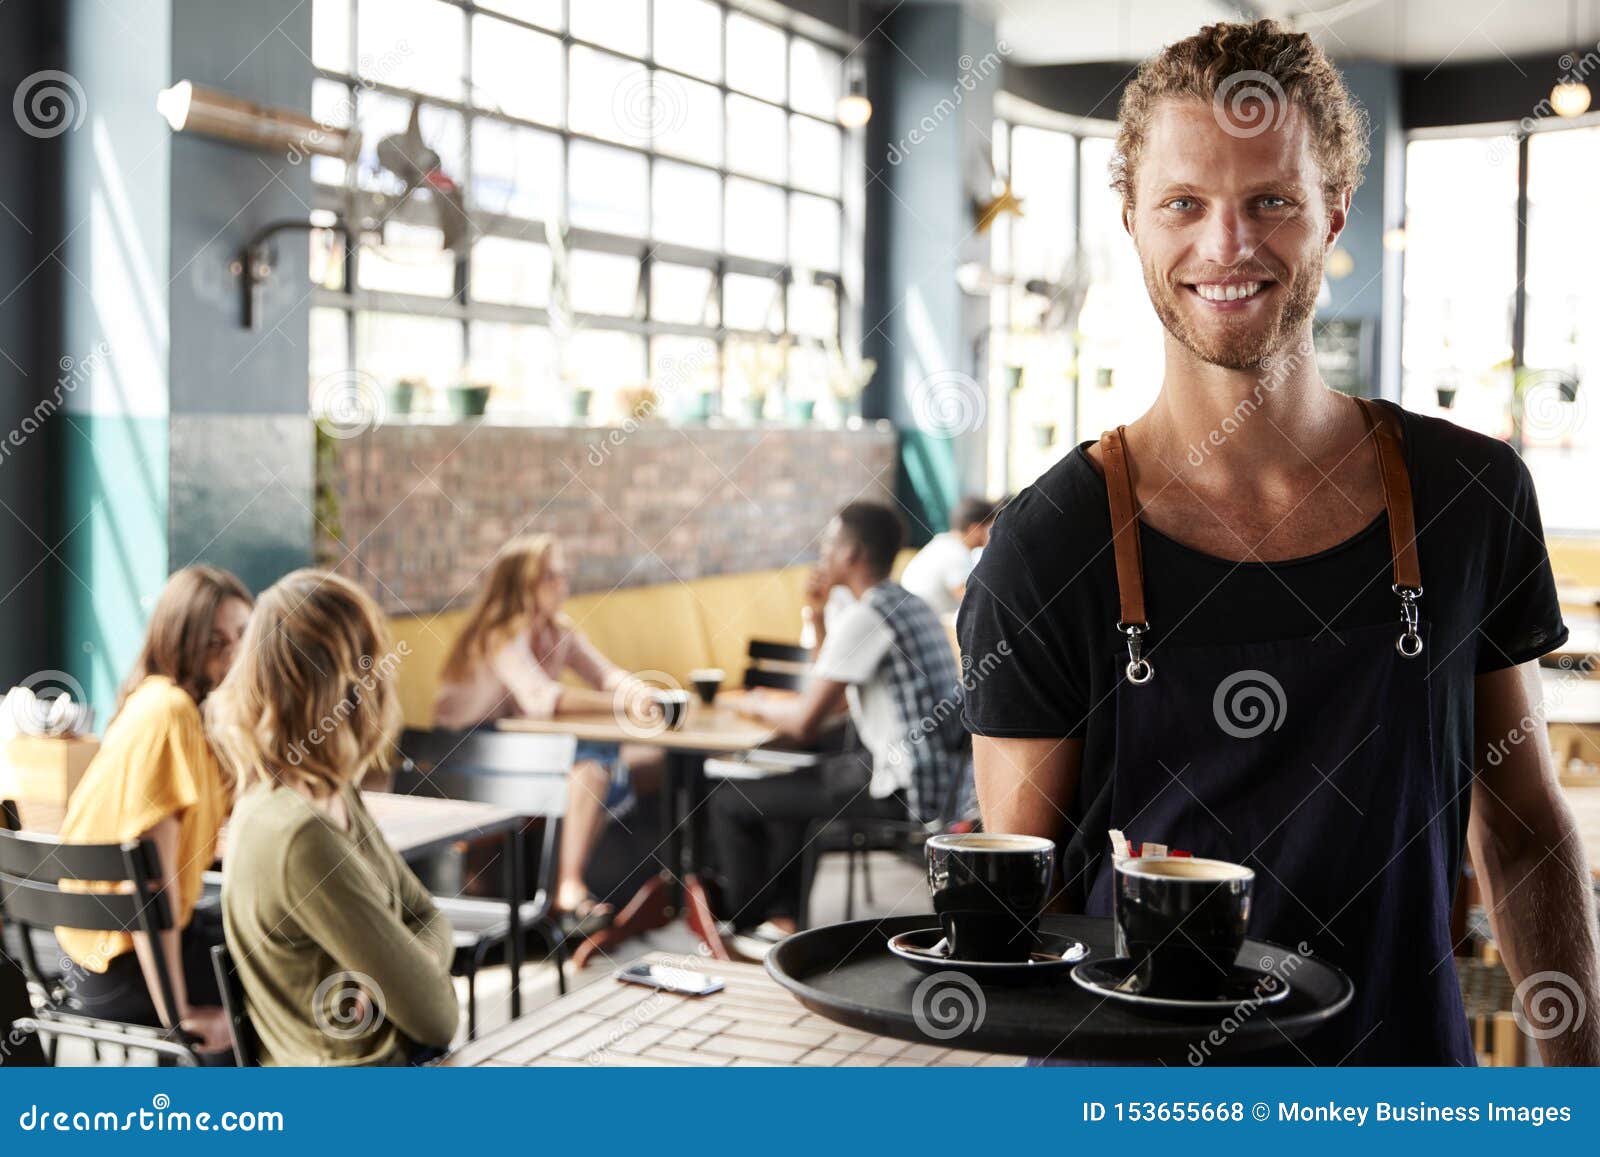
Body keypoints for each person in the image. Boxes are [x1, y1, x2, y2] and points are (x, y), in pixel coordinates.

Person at [959, 19, 1599, 1066]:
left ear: (1333, 211)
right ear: (1130, 218)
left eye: (1270, 200)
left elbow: (1523, 827)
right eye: (1183, 203)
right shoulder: (1051, 538)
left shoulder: (1467, 495)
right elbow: (1021, 901)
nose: (1227, 246)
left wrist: (1580, 1088)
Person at [211, 570, 458, 1067]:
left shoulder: (332, 790)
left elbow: (426, 916)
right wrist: (410, 979)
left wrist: (403, 973)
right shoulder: (299, 836)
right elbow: (438, 1016)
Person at [714, 502, 965, 953]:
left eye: (828, 544)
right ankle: (782, 921)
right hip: (934, 779)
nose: (821, 554)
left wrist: (751, 701)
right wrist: (815, 613)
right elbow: (828, 690)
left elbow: (807, 722)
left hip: (900, 788)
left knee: (730, 801)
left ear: (851, 554)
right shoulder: (909, 604)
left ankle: (741, 929)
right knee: (786, 794)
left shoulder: (869, 617)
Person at [54, 565, 252, 1058]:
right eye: (214, 644)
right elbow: (147, 887)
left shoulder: (162, 704)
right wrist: (177, 1018)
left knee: (274, 937)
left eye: (243, 638)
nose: (233, 658)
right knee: (290, 970)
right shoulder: (170, 713)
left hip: (99, 957)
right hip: (122, 969)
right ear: (181, 644)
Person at [433, 534, 662, 925]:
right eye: (550, 577)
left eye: (563, 575)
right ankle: (569, 889)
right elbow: (541, 697)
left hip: (511, 749)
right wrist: (623, 704)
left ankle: (572, 890)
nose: (562, 584)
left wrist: (639, 690)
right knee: (594, 759)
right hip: (464, 755)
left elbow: (605, 673)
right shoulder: (501, 632)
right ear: (522, 583)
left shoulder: (559, 630)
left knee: (607, 760)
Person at [899, 495, 1003, 615]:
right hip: (927, 622)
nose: (994, 533)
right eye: (991, 527)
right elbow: (975, 601)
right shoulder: (956, 552)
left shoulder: (945, 542)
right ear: (975, 528)